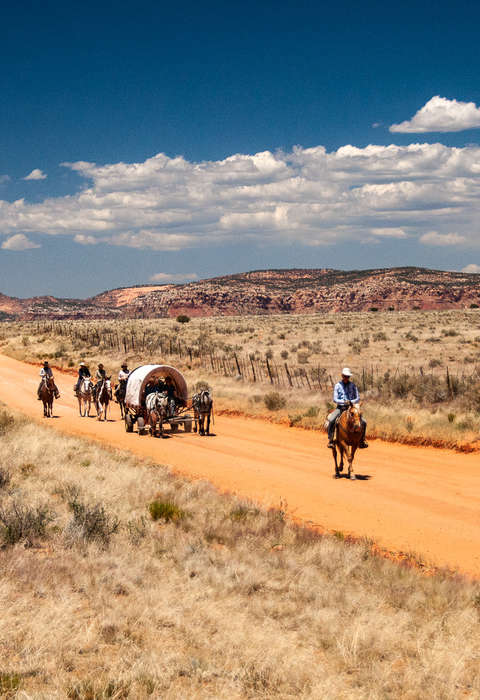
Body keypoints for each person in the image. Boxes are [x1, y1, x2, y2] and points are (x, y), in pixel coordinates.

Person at [326, 367, 368, 449]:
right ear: (342, 376)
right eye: (345, 376)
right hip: (340, 408)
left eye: (348, 376)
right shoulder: (337, 386)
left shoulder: (353, 386)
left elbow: (357, 398)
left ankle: (362, 440)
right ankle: (331, 440)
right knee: (331, 420)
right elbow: (335, 399)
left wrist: (351, 402)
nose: (346, 378)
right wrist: (343, 402)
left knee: (364, 422)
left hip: (351, 408)